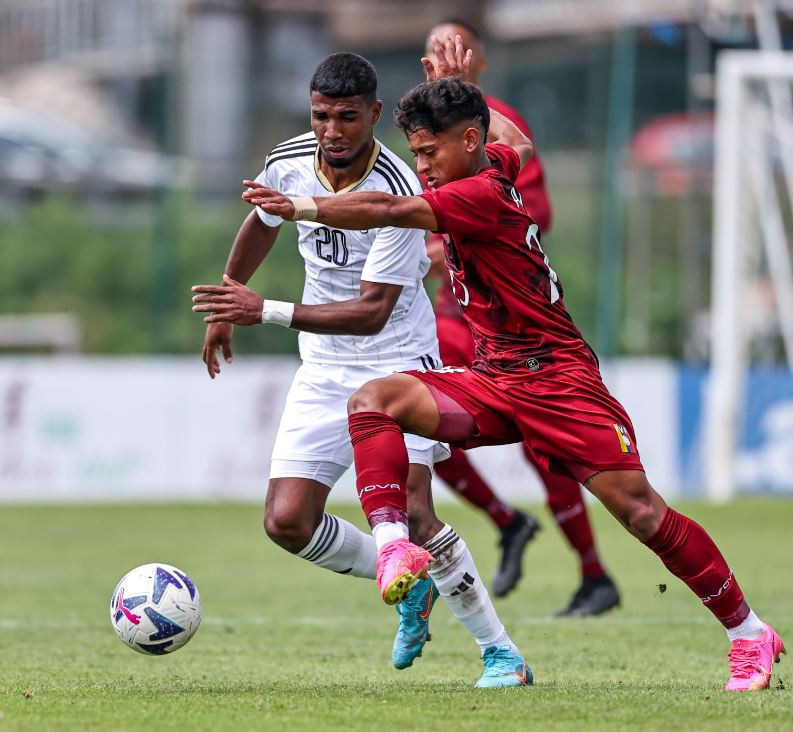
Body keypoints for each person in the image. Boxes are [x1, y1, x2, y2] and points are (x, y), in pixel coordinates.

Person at [244, 36, 786, 693]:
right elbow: (518, 146)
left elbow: (388, 209)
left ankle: (749, 633)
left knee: (641, 513)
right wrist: (468, 89)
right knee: (375, 402)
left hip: (558, 381)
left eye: (428, 153)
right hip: (495, 376)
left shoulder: (475, 196)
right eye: (413, 154)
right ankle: (393, 547)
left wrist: (299, 206)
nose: (421, 167)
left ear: (466, 143)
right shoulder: (488, 161)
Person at [191, 51, 530, 688]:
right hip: (323, 366)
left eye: (348, 117)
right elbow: (262, 221)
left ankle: (500, 652)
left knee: (415, 512)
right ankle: (410, 586)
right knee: (286, 521)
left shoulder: (402, 190)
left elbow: (372, 312)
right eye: (321, 116)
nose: (332, 131)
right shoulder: (288, 161)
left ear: (374, 114)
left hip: (398, 359)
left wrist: (260, 309)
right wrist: (228, 299)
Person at [421, 18, 620, 612]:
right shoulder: (415, 132)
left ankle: (593, 572)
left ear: (477, 59)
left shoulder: (494, 125)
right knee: (421, 429)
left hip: (511, 312)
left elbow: (532, 212)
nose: (440, 56)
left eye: (452, 46)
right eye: (431, 48)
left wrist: (453, 234)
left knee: (546, 444)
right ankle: (507, 521)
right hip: (448, 311)